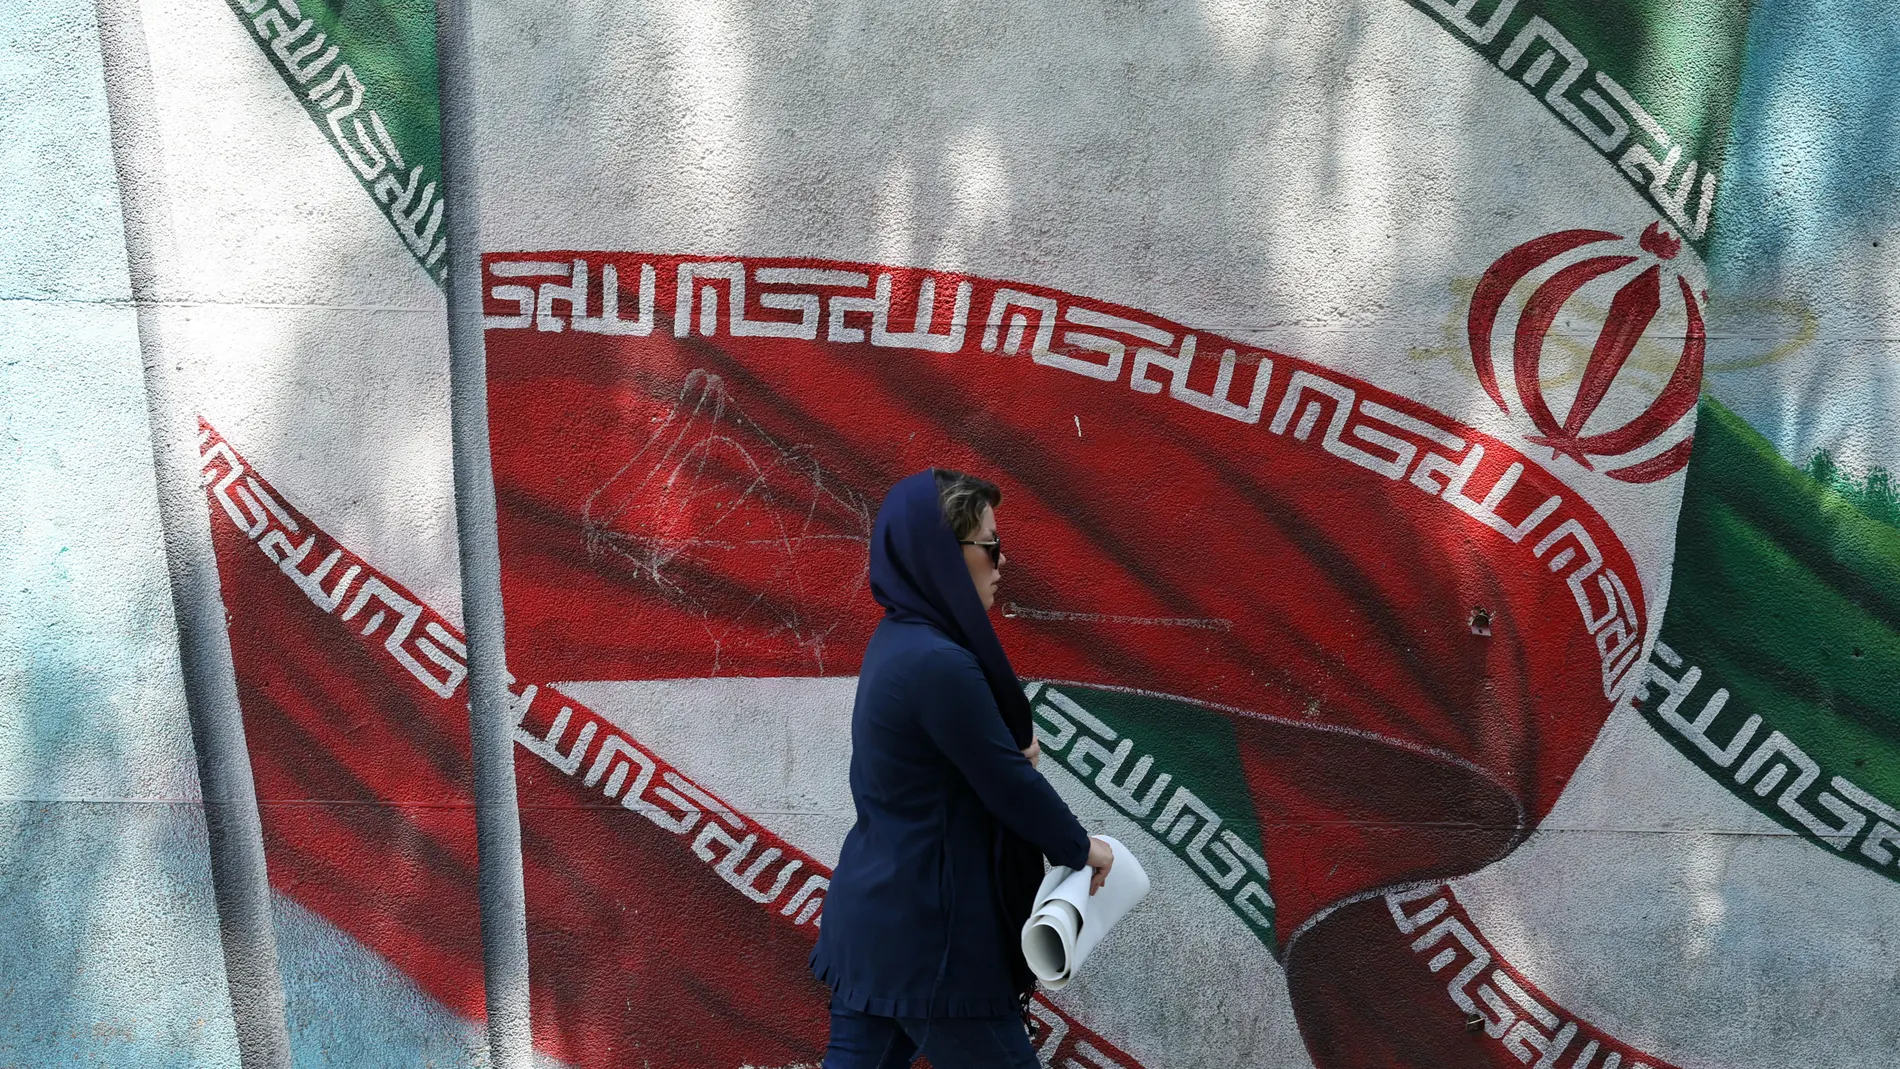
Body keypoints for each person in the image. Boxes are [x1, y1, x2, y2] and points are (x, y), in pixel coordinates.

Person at [811, 469, 1115, 1069]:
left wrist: (999, 756)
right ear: (944, 556)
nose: (1002, 562)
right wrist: (1082, 849)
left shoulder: (901, 641)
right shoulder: (935, 662)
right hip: (933, 941)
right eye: (991, 544)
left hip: (884, 923)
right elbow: (1008, 785)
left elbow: (962, 768)